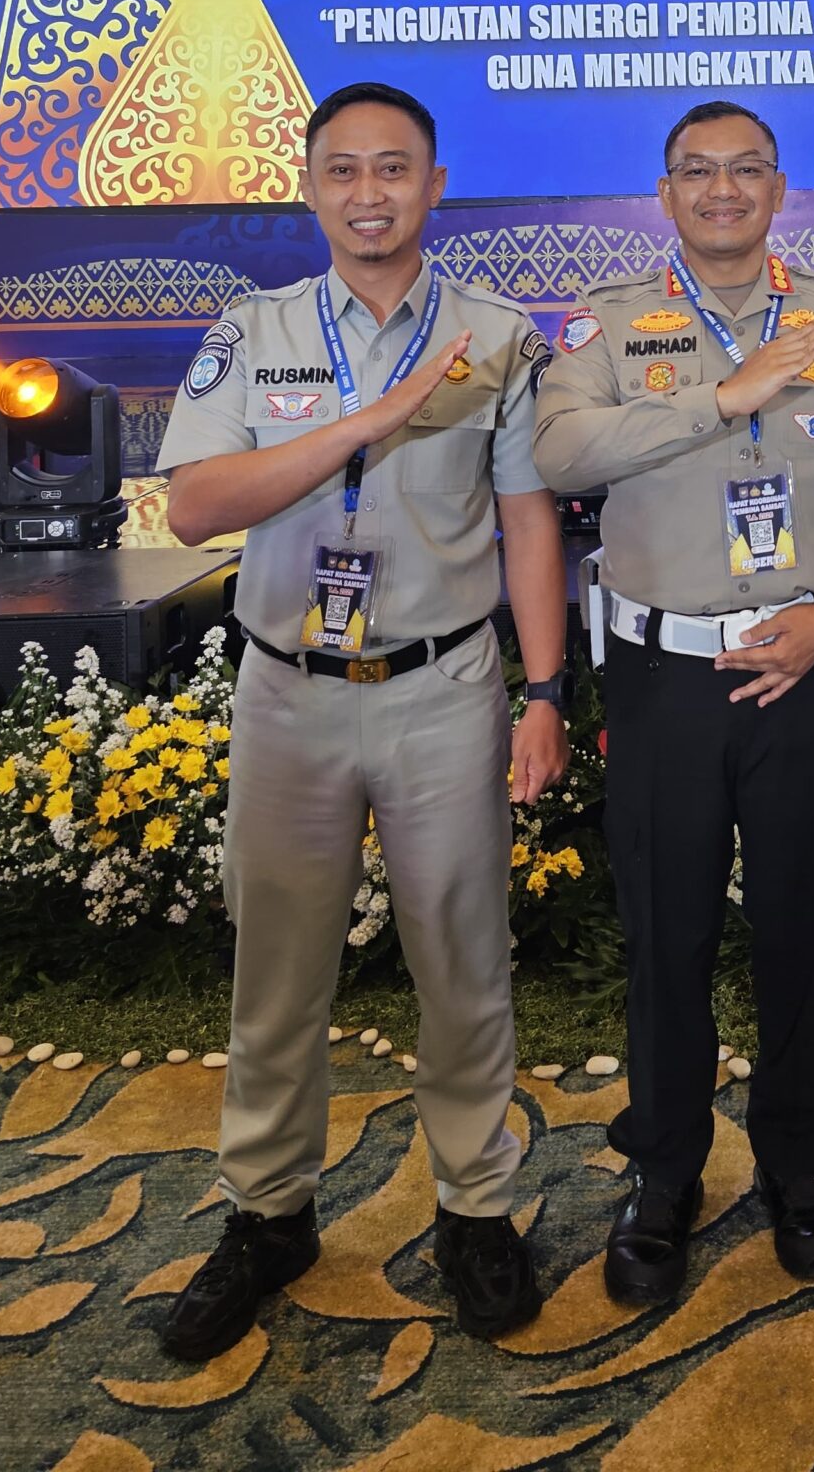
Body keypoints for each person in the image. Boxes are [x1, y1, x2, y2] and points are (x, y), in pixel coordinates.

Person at [155, 81, 568, 1357]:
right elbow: (195, 506)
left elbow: (528, 523)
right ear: (310, 186)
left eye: (395, 168)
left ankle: (476, 1207)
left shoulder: (496, 336)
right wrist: (371, 419)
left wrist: (545, 691)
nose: (370, 193)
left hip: (443, 688)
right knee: (277, 971)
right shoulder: (254, 329)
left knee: (463, 960)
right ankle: (269, 1212)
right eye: (344, 170)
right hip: (290, 691)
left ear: (435, 185)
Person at [532, 100, 814, 1305]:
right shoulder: (605, 322)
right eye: (698, 171)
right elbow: (558, 453)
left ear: (780, 187)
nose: (723, 189)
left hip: (802, 662)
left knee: (801, 928)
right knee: (668, 936)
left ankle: (799, 1164)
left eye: (747, 169)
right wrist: (725, 398)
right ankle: (665, 1175)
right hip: (666, 676)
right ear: (665, 193)